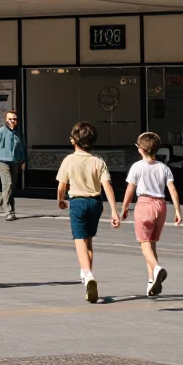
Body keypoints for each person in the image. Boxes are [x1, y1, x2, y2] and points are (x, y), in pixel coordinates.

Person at [57, 120, 120, 304]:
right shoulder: (98, 161)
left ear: (73, 141)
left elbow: (62, 185)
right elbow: (107, 186)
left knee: (79, 240)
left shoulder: (69, 160)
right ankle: (87, 278)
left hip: (77, 202)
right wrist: (114, 211)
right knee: (89, 239)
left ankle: (87, 274)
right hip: (95, 203)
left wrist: (60, 199)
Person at [120, 131, 182, 297]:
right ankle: (151, 281)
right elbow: (172, 190)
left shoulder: (137, 167)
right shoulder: (164, 168)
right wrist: (178, 210)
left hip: (144, 205)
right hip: (161, 206)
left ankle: (156, 269)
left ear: (140, 149)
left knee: (144, 243)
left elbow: (130, 189)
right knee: (152, 243)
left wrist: (124, 207)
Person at [0, 109, 26, 221]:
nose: (12, 121)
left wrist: (23, 161)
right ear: (6, 120)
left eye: (14, 119)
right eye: (10, 119)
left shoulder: (17, 134)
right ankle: (9, 211)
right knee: (8, 184)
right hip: (2, 161)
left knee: (11, 187)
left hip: (14, 162)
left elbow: (21, 149)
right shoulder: (0, 131)